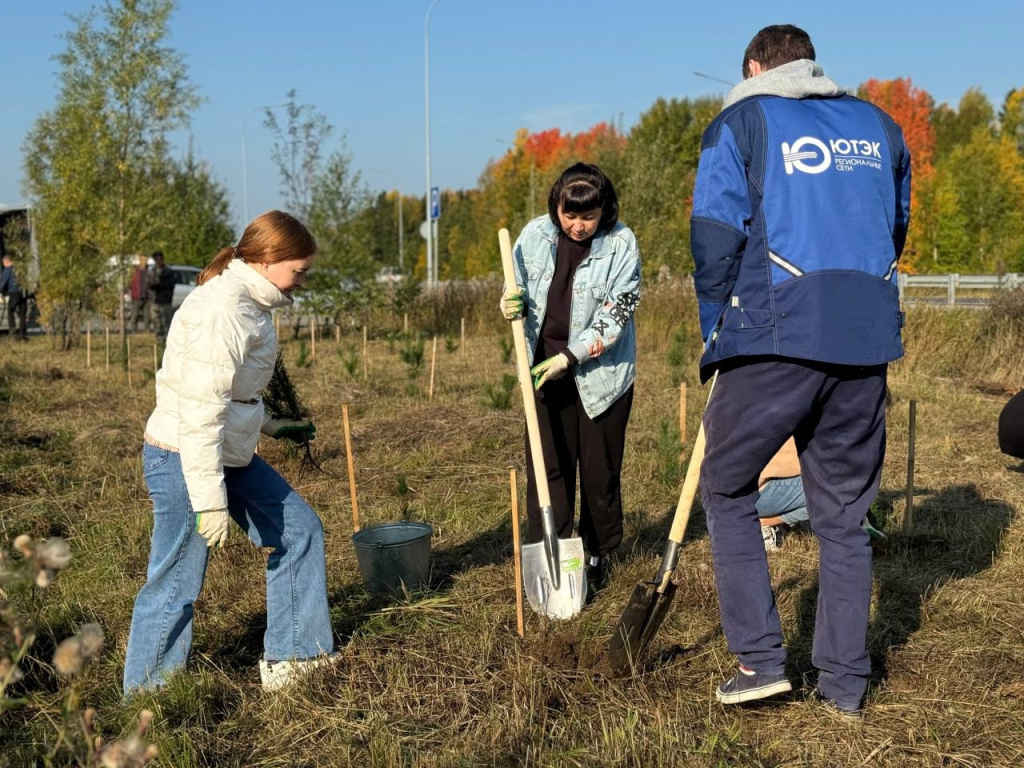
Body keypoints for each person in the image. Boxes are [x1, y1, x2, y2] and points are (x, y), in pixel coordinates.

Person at [690, 25, 911, 720]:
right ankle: (844, 687)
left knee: (726, 488)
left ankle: (759, 661)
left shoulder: (742, 119)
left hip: (775, 334)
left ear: (755, 66)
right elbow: (895, 225)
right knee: (843, 517)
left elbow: (714, 239)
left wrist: (716, 333)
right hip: (865, 334)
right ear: (811, 63)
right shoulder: (880, 125)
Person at [123, 211, 335, 694]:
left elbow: (229, 395)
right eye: (299, 270)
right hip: (184, 456)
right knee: (177, 578)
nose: (303, 280)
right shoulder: (223, 311)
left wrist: (270, 423)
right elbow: (198, 415)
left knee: (299, 530)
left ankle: (295, 658)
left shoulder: (249, 303)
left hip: (224, 452)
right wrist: (211, 503)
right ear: (266, 259)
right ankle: (148, 697)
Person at [500, 162, 641, 590]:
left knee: (599, 473)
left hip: (601, 374)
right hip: (543, 369)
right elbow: (516, 286)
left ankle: (598, 553)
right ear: (557, 206)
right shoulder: (534, 235)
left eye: (588, 217)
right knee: (549, 467)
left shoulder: (621, 244)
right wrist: (508, 301)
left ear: (604, 211)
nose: (577, 226)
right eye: (569, 215)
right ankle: (557, 550)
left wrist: (571, 356)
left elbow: (617, 313)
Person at [756, 438, 886, 551]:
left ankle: (761, 522)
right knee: (837, 490)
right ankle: (853, 518)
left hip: (744, 494)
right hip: (753, 494)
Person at [147, 250, 175, 339]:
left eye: (160, 258)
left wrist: (159, 284)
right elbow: (149, 283)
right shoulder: (152, 271)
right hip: (154, 300)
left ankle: (167, 338)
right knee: (156, 321)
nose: (158, 260)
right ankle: (159, 338)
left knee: (166, 321)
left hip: (165, 300)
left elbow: (170, 285)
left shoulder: (168, 271)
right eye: (156, 259)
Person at [0, 254, 29, 340]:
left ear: (6, 261)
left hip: (14, 293)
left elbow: (3, 283)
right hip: (23, 293)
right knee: (22, 314)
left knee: (10, 310)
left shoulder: (8, 270)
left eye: (3, 263)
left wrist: (1, 291)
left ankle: (12, 331)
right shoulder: (19, 269)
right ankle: (22, 334)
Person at [128, 255, 150, 333]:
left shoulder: (149, 270)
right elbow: (129, 283)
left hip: (147, 297)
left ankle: (147, 331)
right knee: (134, 315)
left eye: (145, 260)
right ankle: (134, 331)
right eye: (142, 260)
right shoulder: (135, 271)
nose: (144, 261)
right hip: (137, 296)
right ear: (139, 260)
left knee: (147, 316)